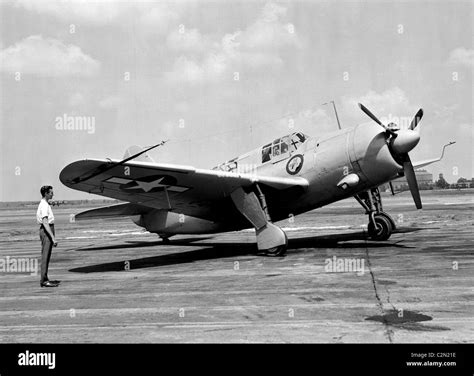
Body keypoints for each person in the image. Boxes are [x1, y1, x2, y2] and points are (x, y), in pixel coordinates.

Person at [36, 186, 60, 287]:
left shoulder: (44, 203)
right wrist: (53, 238)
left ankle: (45, 278)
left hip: (46, 230)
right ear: (46, 193)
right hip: (47, 230)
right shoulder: (44, 205)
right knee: (45, 256)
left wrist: (51, 204)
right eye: (50, 193)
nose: (52, 194)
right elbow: (45, 222)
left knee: (46, 255)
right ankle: (44, 280)